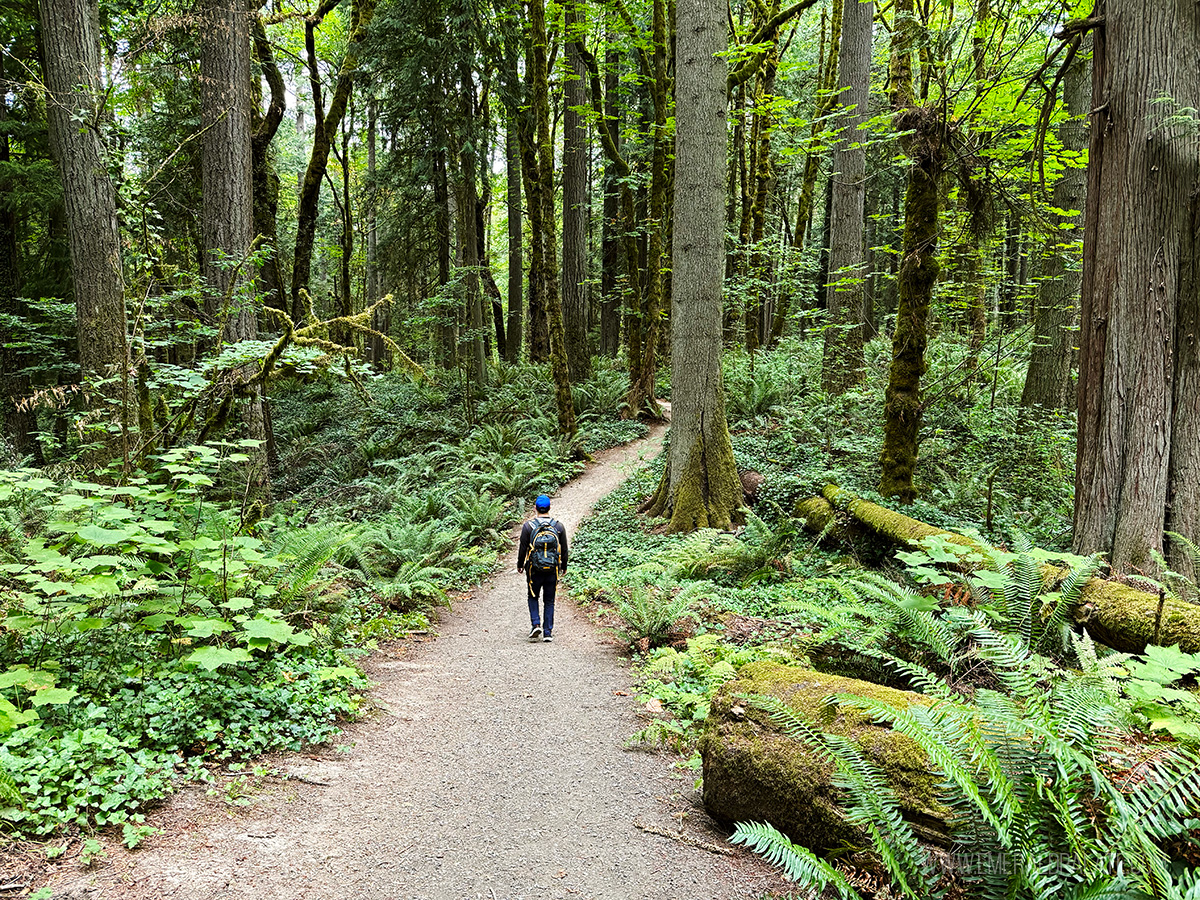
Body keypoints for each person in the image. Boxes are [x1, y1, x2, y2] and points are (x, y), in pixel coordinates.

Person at [517, 494, 568, 642]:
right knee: (549, 600)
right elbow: (564, 549)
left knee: (533, 596)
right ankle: (548, 632)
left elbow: (523, 548)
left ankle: (535, 624)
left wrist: (520, 565)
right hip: (552, 569)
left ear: (535, 508)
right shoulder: (558, 526)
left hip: (534, 569)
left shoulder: (528, 526)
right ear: (549, 508)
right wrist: (563, 566)